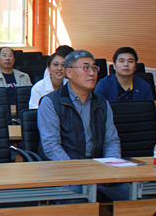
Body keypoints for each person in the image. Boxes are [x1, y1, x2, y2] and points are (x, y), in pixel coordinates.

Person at [37, 50, 125, 200]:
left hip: (97, 168)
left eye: (94, 68)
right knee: (77, 197)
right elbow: (51, 146)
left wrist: (111, 166)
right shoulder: (51, 103)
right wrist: (77, 171)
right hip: (65, 170)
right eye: (86, 68)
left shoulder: (102, 103)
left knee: (131, 193)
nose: (92, 73)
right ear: (69, 72)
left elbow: (111, 141)